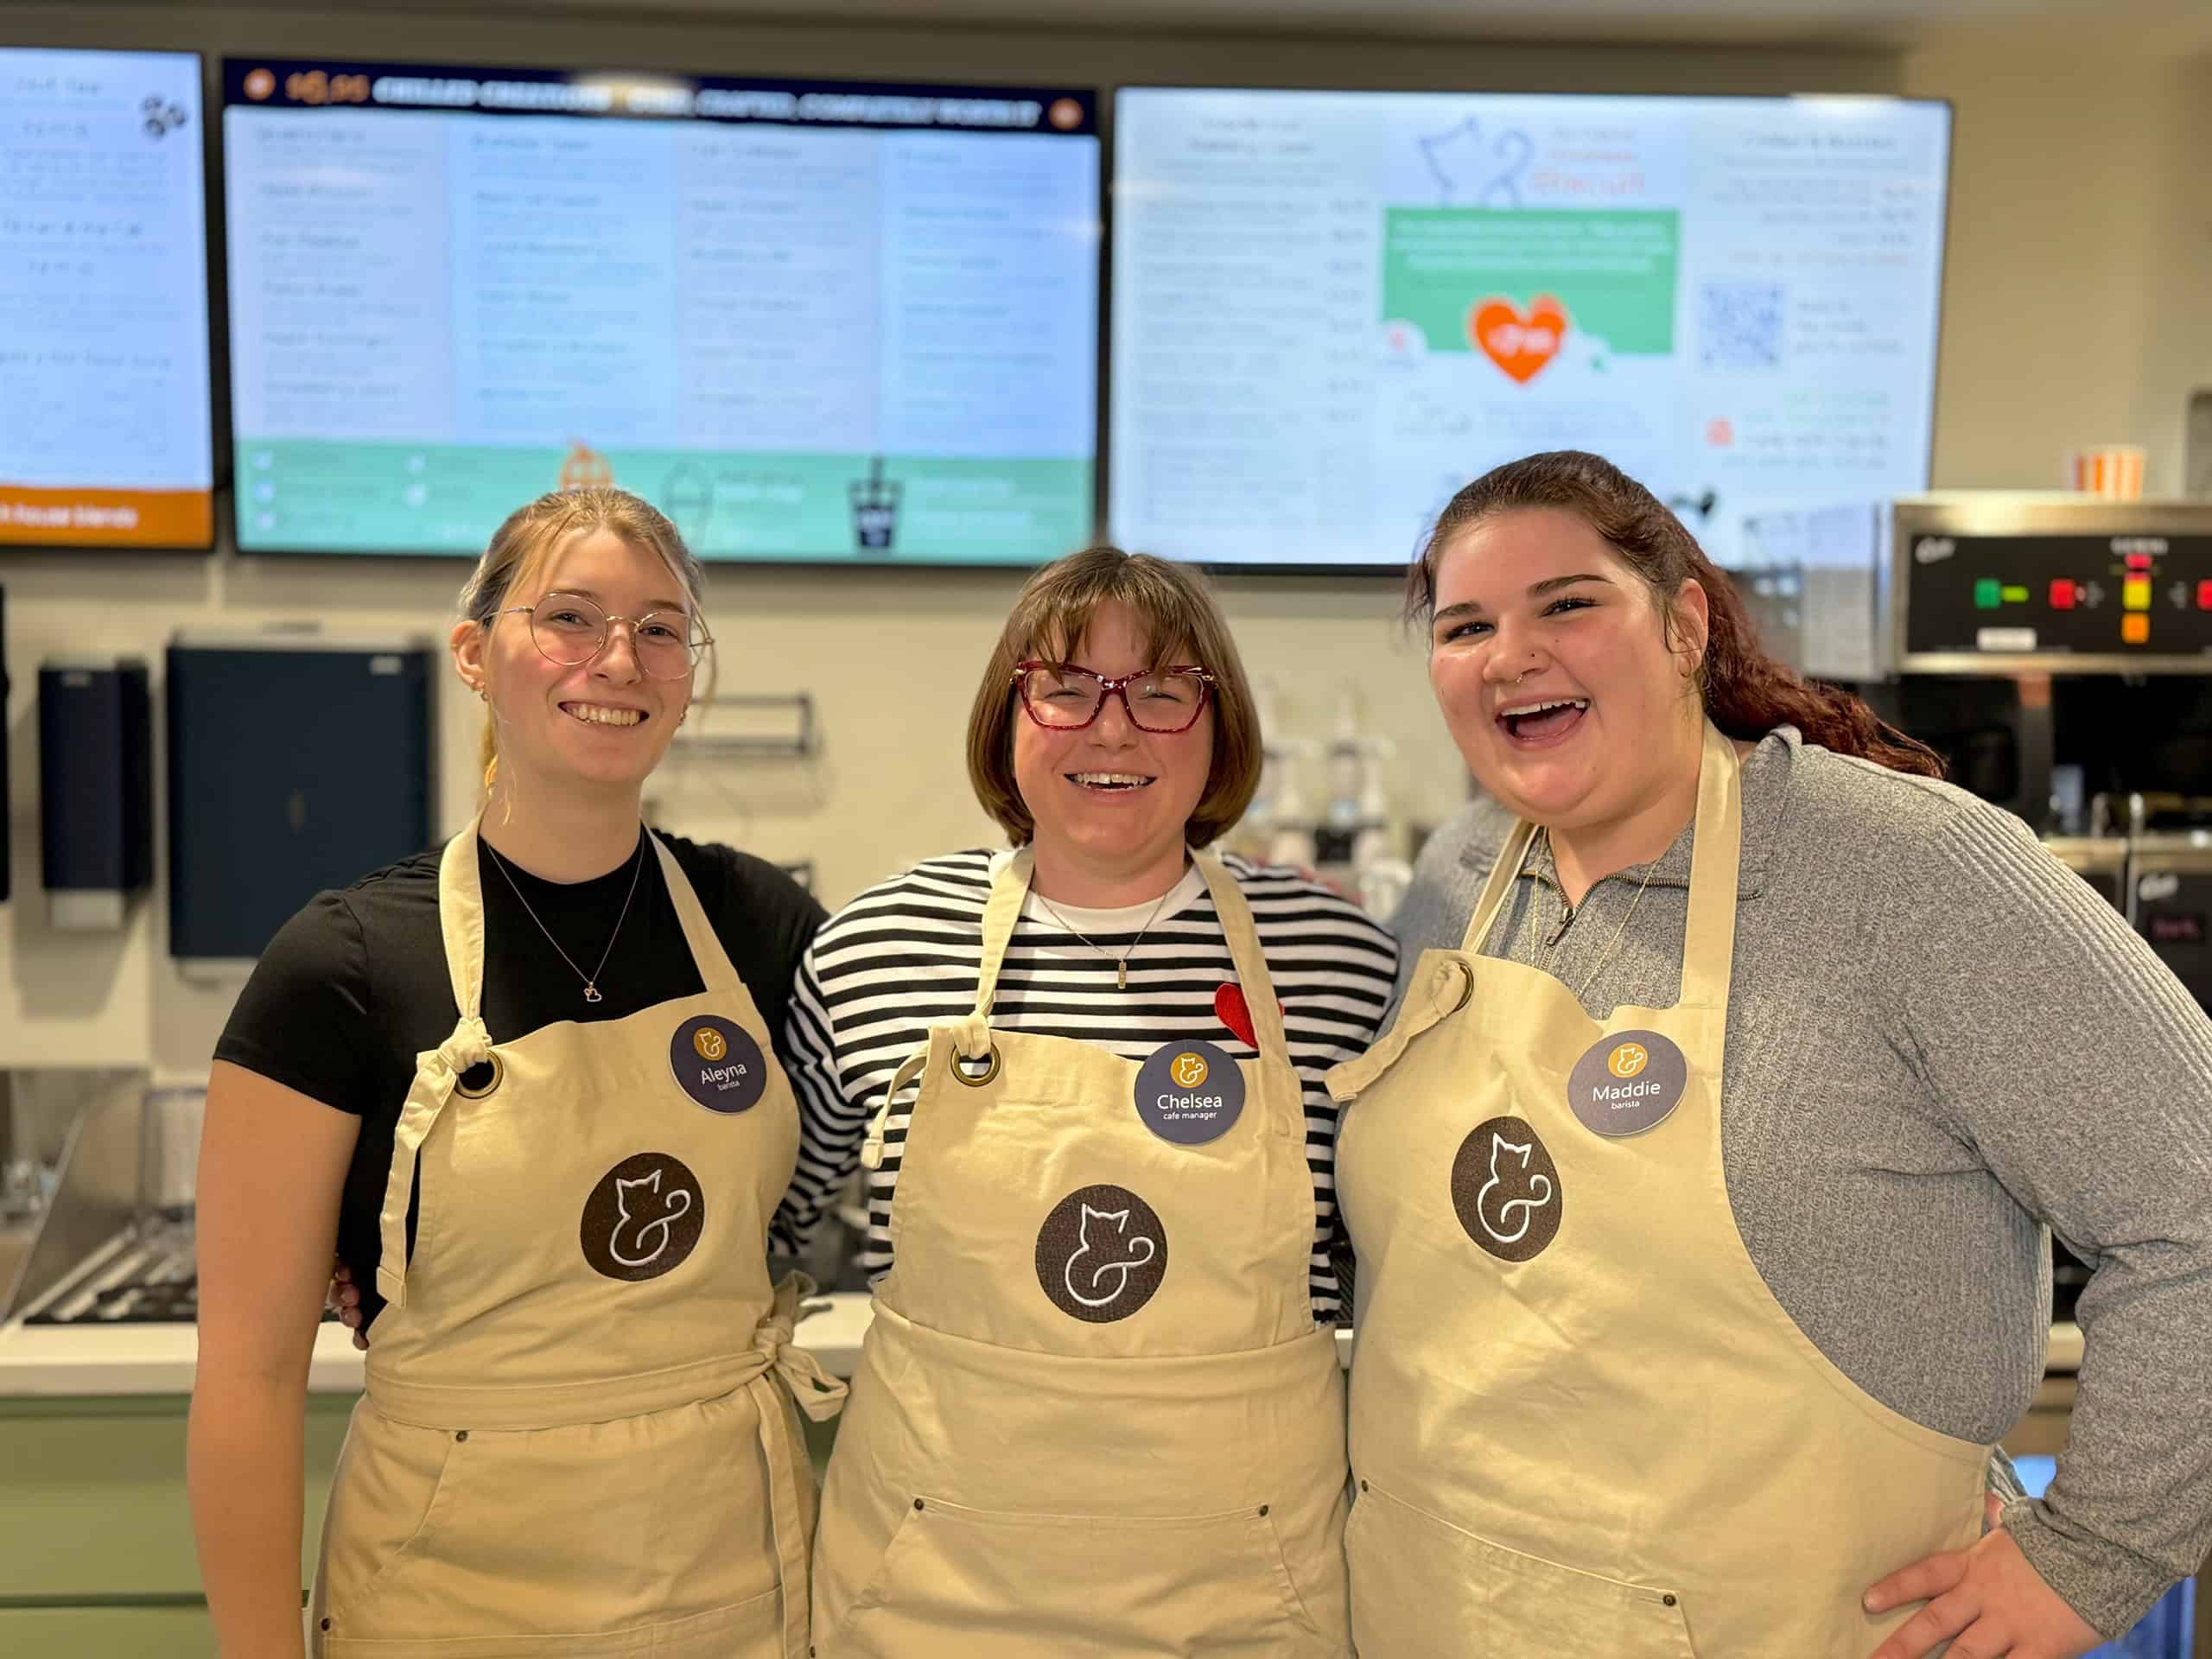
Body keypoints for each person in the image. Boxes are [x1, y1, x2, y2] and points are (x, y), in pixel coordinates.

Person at [1327, 450, 2212, 1658]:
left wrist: (2094, 1557)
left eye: (1568, 605)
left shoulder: (1901, 874)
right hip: (1431, 1611)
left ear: (1684, 623)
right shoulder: (1460, 877)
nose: (1509, 655)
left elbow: (2197, 1199)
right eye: (1465, 624)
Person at [188, 487, 842, 1659]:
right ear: (477, 654)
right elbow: (248, 1376)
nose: (618, 660)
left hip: (729, 1572)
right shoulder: (341, 966)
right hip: (449, 1589)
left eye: (658, 628)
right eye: (572, 617)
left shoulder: (763, 926)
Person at [784, 546, 1398, 1656]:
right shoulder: (877, 949)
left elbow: (1399, 1262)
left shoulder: (1337, 964)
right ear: (1005, 720)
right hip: (931, 1590)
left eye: (1162, 692)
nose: (1110, 729)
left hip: (1247, 1594)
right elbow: (768, 1227)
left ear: (1219, 731)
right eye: (1064, 688)